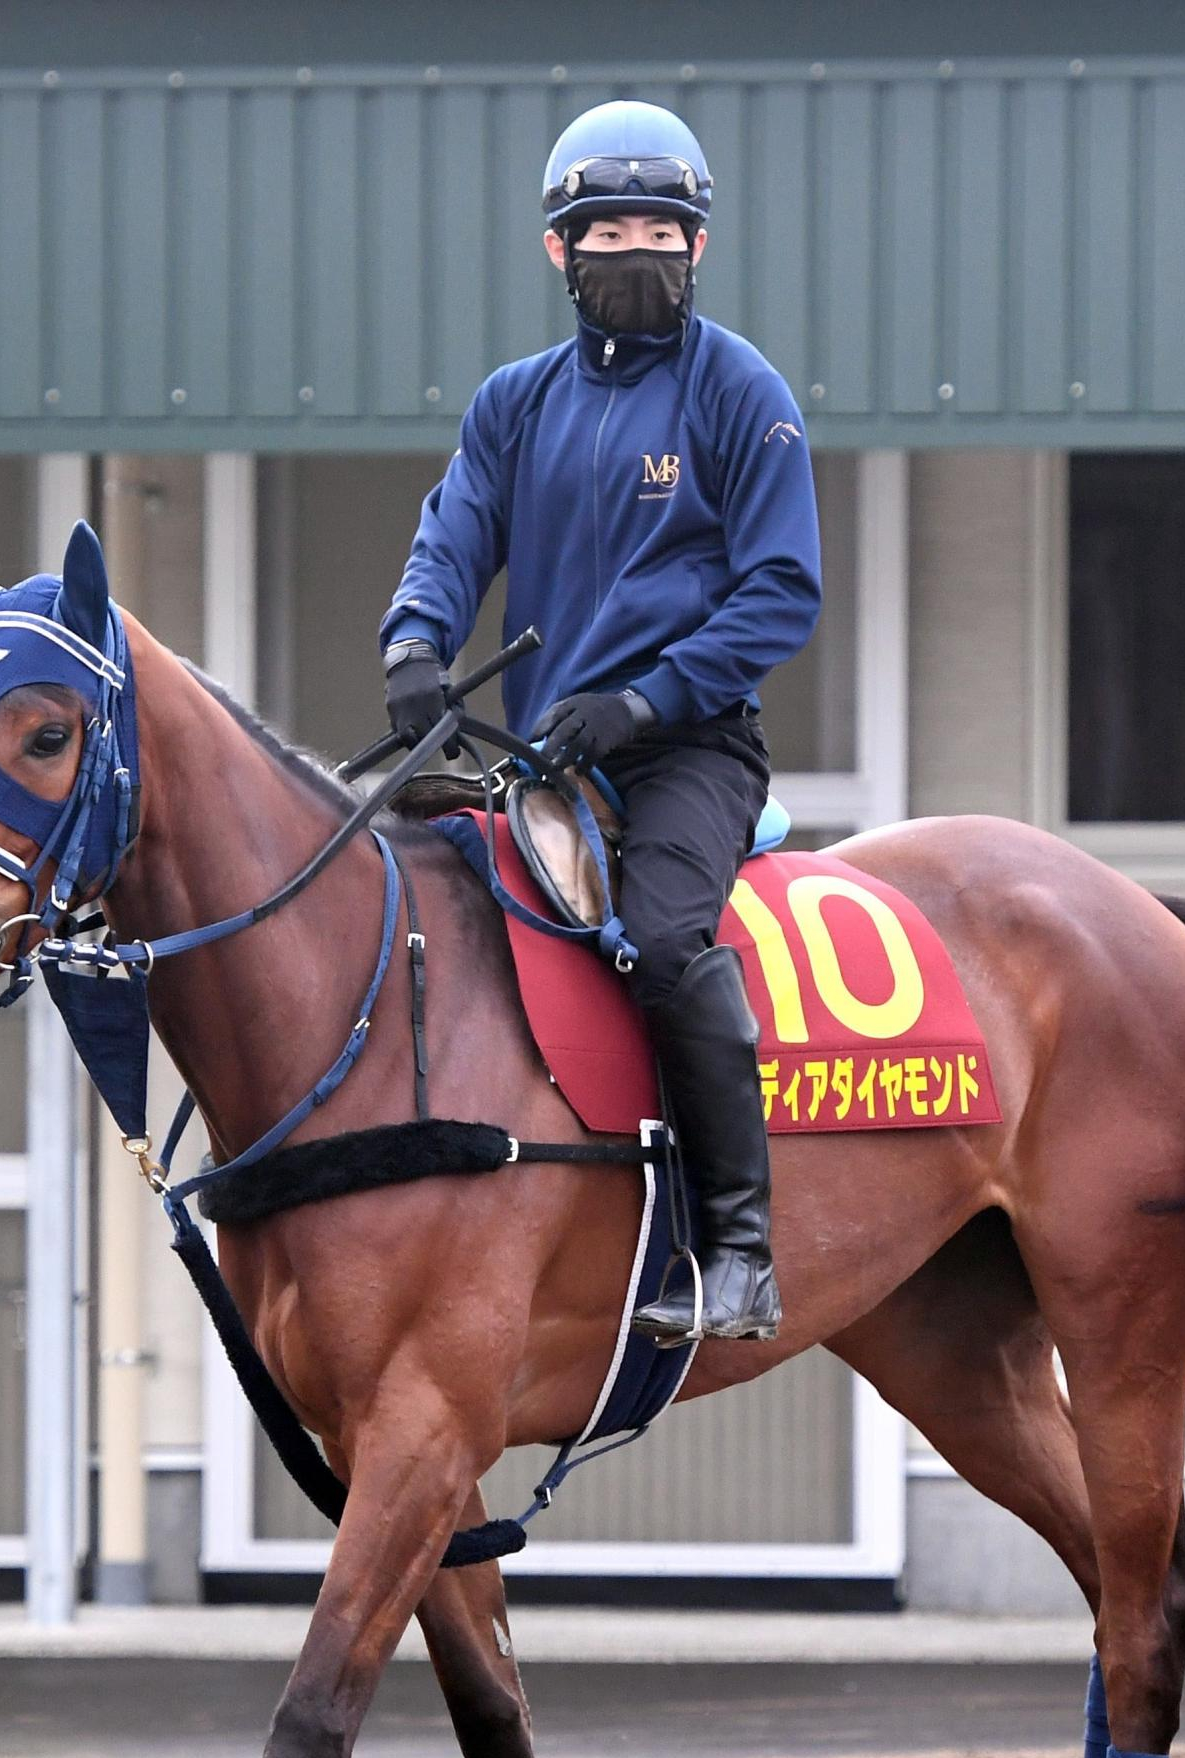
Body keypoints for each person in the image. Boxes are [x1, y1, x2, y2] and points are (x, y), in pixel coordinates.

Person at [379, 100, 821, 1342]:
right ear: (556, 250)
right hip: (543, 758)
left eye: (657, 228)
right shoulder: (511, 406)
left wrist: (646, 697)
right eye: (607, 227)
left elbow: (783, 588)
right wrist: (416, 643)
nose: (635, 247)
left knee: (661, 940)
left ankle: (736, 1251)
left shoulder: (743, 393)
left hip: (689, 748)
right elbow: (451, 537)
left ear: (697, 247)